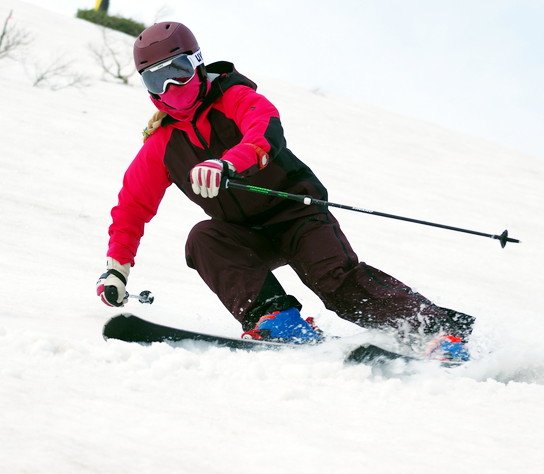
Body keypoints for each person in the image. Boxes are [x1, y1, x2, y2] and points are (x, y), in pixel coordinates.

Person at [96, 21, 474, 360]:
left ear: (196, 63)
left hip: (298, 216)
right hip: (246, 234)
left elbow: (265, 132)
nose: (171, 87)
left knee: (336, 284)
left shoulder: (236, 98)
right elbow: (132, 207)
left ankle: (440, 330)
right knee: (204, 238)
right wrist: (117, 269)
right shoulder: (162, 145)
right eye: (155, 80)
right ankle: (276, 319)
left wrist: (228, 163)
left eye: (177, 71)